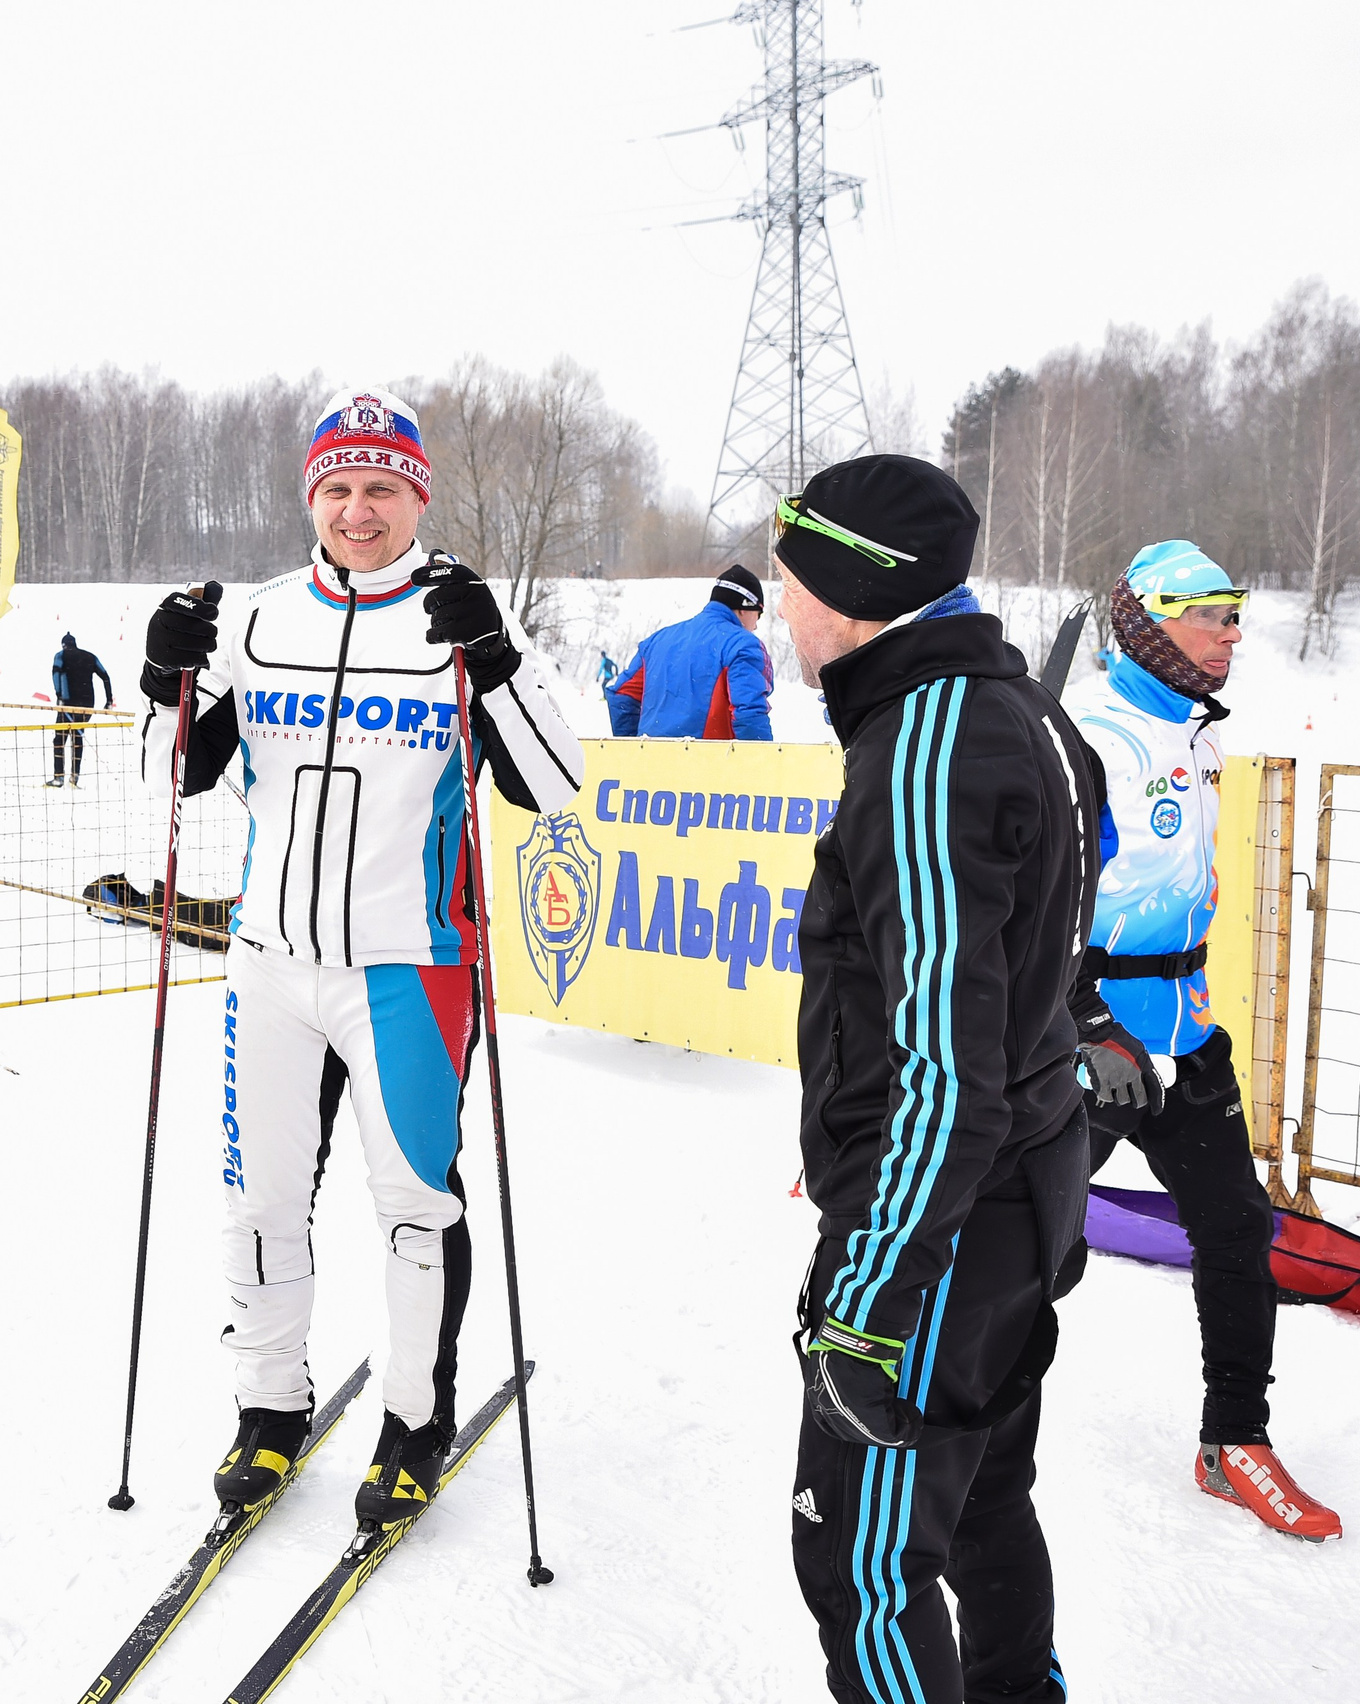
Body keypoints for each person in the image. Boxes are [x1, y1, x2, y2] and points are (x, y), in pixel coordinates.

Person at [140, 387, 583, 1530]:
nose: (357, 509)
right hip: (271, 963)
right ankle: (268, 1408)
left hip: (411, 966)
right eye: (336, 488)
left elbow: (553, 784)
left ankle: (413, 1420)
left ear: (417, 495)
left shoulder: (454, 614)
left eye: (380, 487)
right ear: (311, 499)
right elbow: (172, 777)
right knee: (260, 1200)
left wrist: (495, 658)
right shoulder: (261, 619)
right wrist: (165, 683)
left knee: (413, 1206)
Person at [774, 455, 1104, 1704]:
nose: (779, 604)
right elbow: (1038, 971)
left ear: (853, 591)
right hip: (1013, 1189)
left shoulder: (926, 740)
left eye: (792, 574)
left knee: (862, 1557)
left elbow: (944, 1064)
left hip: (944, 1227)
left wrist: (867, 1295)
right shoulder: (1017, 711)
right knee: (974, 1502)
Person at [1064, 540, 1342, 1541]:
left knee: (1235, 1228)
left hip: (1183, 1036)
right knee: (1027, 1251)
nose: (1233, 634)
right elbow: (1013, 902)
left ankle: (1234, 1440)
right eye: (1214, 613)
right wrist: (1083, 1023)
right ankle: (935, 1418)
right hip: (1087, 1045)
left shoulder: (1192, 733)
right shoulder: (1084, 733)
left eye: (1236, 612)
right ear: (1153, 620)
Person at [606, 565, 775, 739]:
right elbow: (749, 713)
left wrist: (634, 747)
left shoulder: (657, 641)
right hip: (710, 763)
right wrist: (763, 763)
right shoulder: (742, 645)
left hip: (651, 761)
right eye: (758, 614)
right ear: (743, 608)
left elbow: (622, 696)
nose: (755, 625)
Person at [47, 632, 114, 787]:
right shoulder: (90, 657)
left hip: (68, 704)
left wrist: (59, 696)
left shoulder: (60, 655)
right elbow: (105, 676)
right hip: (87, 705)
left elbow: (56, 675)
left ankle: (58, 777)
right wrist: (108, 700)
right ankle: (74, 776)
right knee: (77, 738)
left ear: (64, 644)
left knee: (59, 739)